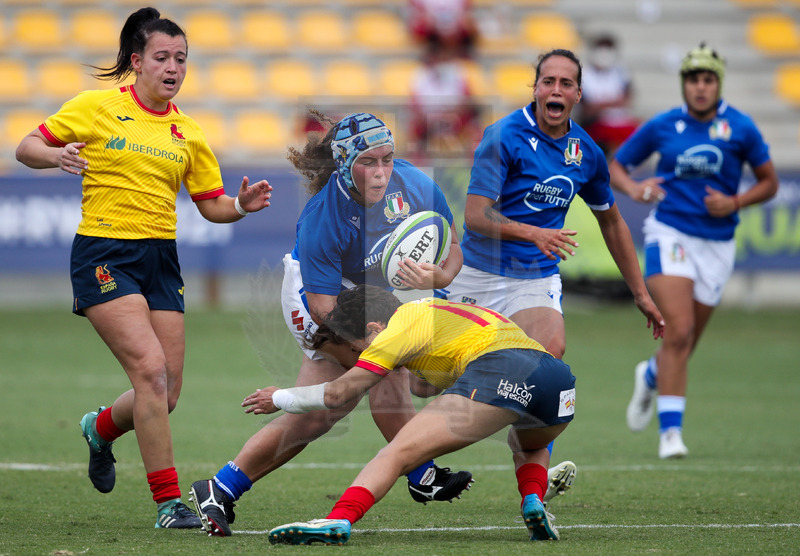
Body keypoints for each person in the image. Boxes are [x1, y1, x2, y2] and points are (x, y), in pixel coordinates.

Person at [14, 7, 272, 529]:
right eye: (162, 57)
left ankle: (101, 429)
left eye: (181, 58)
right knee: (149, 373)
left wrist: (241, 206)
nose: (173, 67)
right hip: (105, 253)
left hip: (160, 259)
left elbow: (211, 204)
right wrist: (55, 157)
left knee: (167, 393)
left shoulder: (188, 133)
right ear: (137, 62)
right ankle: (169, 503)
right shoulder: (96, 107)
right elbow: (27, 146)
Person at [190, 111, 473, 537]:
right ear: (343, 164)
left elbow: (451, 242)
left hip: (376, 295)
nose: (381, 173)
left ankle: (218, 489)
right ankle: (422, 474)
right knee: (383, 370)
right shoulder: (323, 216)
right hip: (316, 299)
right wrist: (373, 340)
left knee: (319, 416)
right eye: (368, 162)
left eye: (387, 159)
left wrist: (442, 278)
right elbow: (323, 306)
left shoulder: (414, 183)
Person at [443, 48, 665, 495]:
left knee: (548, 360)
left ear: (578, 94)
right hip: (476, 274)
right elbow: (476, 217)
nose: (556, 90)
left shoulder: (585, 152)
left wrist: (640, 292)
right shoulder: (501, 136)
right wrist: (534, 233)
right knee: (428, 382)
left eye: (566, 83)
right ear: (536, 88)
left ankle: (530, 478)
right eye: (548, 82)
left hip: (534, 279)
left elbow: (613, 221)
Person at [256, 284, 576, 545]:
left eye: (359, 348)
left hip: (500, 368)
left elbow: (337, 393)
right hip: (558, 383)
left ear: (373, 328)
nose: (363, 357)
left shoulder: (396, 329)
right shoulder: (437, 310)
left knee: (397, 453)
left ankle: (338, 519)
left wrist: (280, 397)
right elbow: (425, 384)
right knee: (527, 443)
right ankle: (533, 501)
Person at [609, 43, 779, 459]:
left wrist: (735, 202)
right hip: (670, 234)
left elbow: (768, 182)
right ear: (684, 84)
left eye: (708, 79)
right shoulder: (664, 125)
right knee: (678, 330)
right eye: (693, 79)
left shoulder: (740, 127)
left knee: (685, 341)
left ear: (718, 83)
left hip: (717, 246)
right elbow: (616, 164)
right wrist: (635, 189)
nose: (700, 87)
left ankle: (650, 374)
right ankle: (671, 434)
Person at [578, 34, 640, 157]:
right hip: (596, 125)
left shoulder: (621, 72)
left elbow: (627, 100)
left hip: (619, 123)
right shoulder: (585, 75)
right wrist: (612, 102)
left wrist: (601, 104)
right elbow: (587, 109)